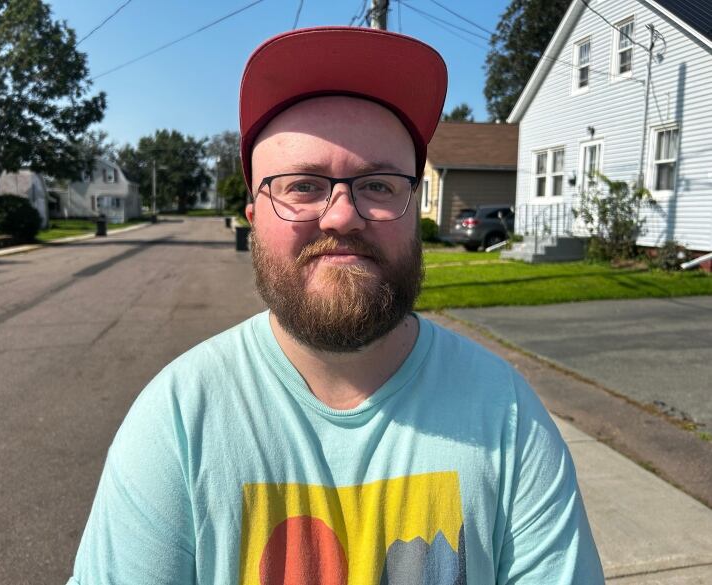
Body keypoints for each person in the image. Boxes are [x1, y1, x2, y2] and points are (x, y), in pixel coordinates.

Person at [68, 27, 604, 585]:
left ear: (415, 210)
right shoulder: (178, 421)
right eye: (302, 186)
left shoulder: (506, 416)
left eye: (378, 184)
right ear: (253, 219)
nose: (342, 215)